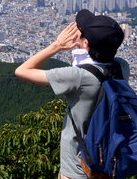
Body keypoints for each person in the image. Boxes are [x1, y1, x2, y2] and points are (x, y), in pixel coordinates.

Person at [14, 9, 129, 179]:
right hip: (109, 163)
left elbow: (22, 71)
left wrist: (57, 46)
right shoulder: (122, 67)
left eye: (81, 34)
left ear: (86, 44)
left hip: (77, 169)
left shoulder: (78, 77)